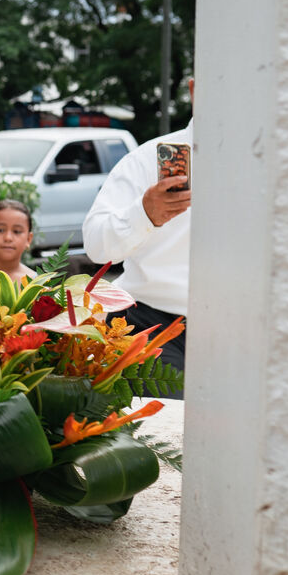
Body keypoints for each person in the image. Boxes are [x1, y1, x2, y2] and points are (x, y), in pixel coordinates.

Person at [82, 101, 192, 378]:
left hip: (248, 326)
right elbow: (96, 244)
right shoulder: (144, 161)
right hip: (152, 322)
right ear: (193, 90)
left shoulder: (275, 161)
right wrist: (144, 214)